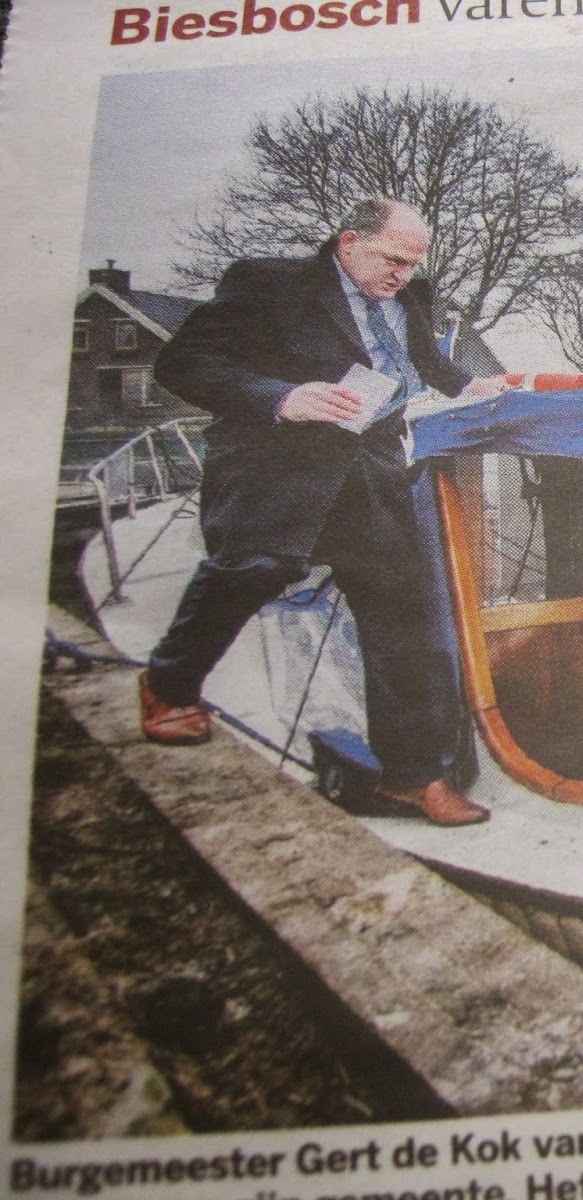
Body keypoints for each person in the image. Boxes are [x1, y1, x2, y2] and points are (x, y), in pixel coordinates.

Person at [137, 198, 508, 826]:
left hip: (373, 474)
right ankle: (167, 686)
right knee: (252, 571)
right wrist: (283, 397)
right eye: (392, 260)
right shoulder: (269, 283)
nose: (402, 275)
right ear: (349, 242)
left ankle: (414, 777)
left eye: (413, 264)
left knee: (404, 619)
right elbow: (182, 364)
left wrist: (472, 386)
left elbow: (422, 360)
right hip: (279, 468)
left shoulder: (411, 296)